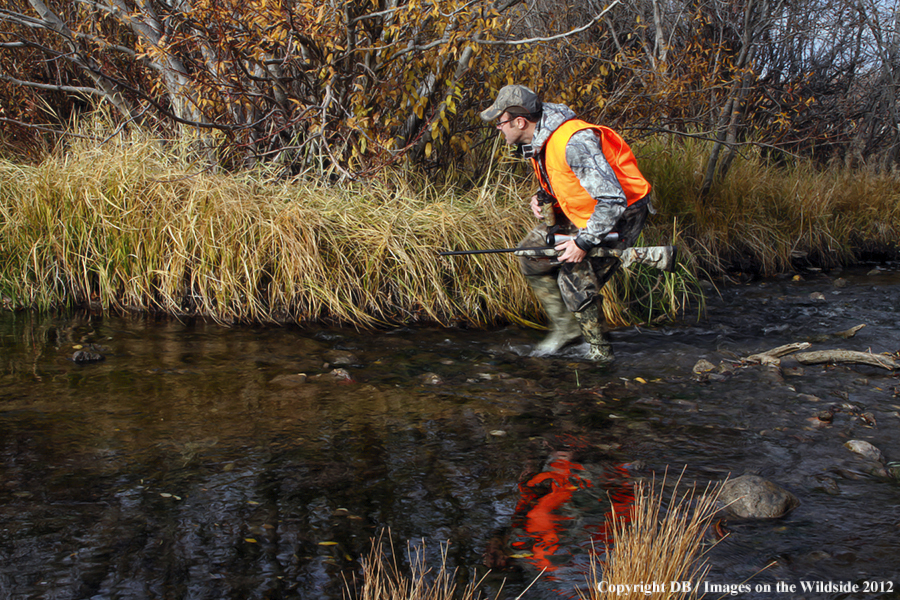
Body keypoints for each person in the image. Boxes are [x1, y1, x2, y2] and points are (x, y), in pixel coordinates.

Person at [480, 84, 653, 364]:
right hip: (587, 212)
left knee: (573, 278)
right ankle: (568, 329)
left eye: (499, 123)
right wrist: (542, 196)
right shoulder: (540, 137)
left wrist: (583, 243)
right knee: (531, 255)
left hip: (622, 215)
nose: (498, 128)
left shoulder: (573, 142)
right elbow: (566, 179)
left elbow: (612, 200)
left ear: (519, 121)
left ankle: (600, 355)